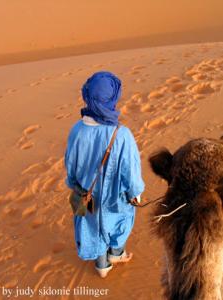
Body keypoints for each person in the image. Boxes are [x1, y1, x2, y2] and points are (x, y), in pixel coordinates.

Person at [64, 71, 145, 278]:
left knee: (92, 228)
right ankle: (116, 254)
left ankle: (102, 267)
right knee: (120, 224)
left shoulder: (77, 130)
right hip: (114, 198)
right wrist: (135, 192)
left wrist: (74, 184)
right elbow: (131, 170)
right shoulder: (122, 134)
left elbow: (70, 164)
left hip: (85, 195)